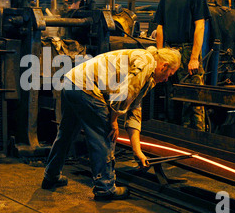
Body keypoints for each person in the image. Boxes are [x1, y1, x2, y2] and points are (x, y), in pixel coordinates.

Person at [42, 46, 181, 201]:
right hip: (86, 87)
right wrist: (113, 120)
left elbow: (134, 110)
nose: (168, 79)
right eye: (171, 74)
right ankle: (105, 187)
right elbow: (124, 93)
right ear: (164, 66)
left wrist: (137, 151)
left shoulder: (147, 75)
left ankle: (51, 175)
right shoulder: (147, 62)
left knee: (66, 134)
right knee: (105, 135)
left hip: (71, 82)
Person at [154, 0, 211, 131]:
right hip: (170, 51)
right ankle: (177, 137)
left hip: (187, 51)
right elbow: (160, 26)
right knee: (172, 97)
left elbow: (199, 27)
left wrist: (194, 57)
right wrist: (159, 54)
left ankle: (198, 139)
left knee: (193, 99)